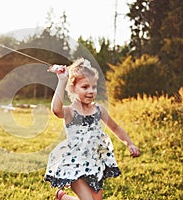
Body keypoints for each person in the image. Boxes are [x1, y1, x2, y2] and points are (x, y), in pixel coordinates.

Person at [44, 58, 141, 200]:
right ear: (73, 88)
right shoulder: (70, 112)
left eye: (93, 87)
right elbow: (55, 109)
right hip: (75, 165)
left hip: (95, 164)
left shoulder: (99, 110)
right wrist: (62, 80)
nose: (91, 91)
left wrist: (130, 143)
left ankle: (63, 198)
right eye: (85, 87)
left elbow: (115, 127)